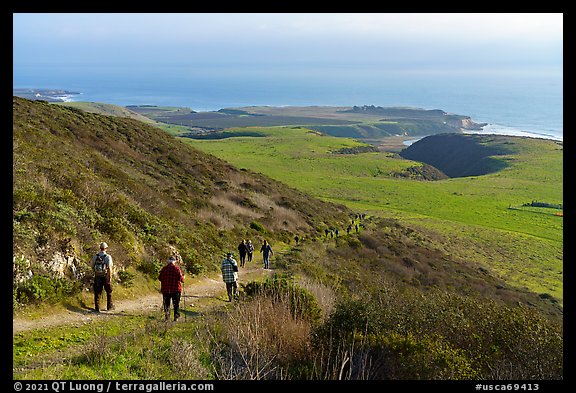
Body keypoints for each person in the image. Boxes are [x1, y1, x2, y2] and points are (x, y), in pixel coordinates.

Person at [158, 256, 185, 321]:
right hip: (175, 289)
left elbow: (159, 278)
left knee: (166, 304)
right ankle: (176, 317)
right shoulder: (176, 269)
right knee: (176, 304)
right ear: (174, 262)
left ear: (168, 262)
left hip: (166, 289)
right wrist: (183, 277)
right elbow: (181, 280)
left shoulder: (164, 269)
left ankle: (167, 317)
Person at [92, 242, 114, 313]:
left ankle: (97, 307)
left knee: (97, 291)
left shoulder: (96, 256)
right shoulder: (108, 257)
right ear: (106, 249)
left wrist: (96, 273)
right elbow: (110, 268)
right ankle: (109, 306)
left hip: (97, 276)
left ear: (100, 248)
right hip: (105, 275)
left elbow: (92, 266)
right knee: (109, 291)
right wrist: (110, 277)